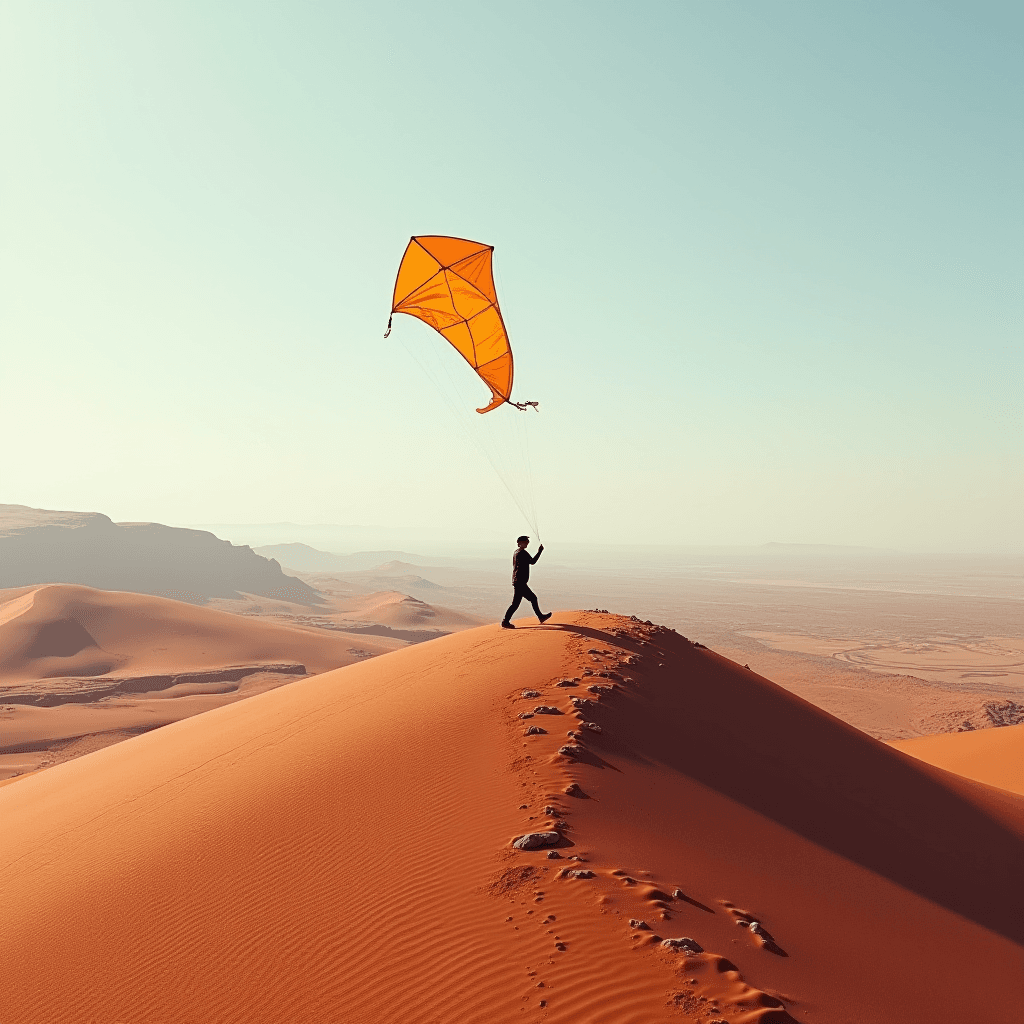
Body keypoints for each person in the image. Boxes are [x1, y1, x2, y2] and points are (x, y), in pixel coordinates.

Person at [501, 536, 551, 628]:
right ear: (520, 543)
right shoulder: (522, 553)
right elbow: (532, 562)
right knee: (530, 599)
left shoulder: (516, 552)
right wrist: (540, 551)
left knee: (517, 603)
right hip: (520, 582)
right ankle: (505, 622)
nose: (527, 543)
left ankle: (506, 621)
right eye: (525, 542)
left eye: (527, 542)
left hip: (518, 582)